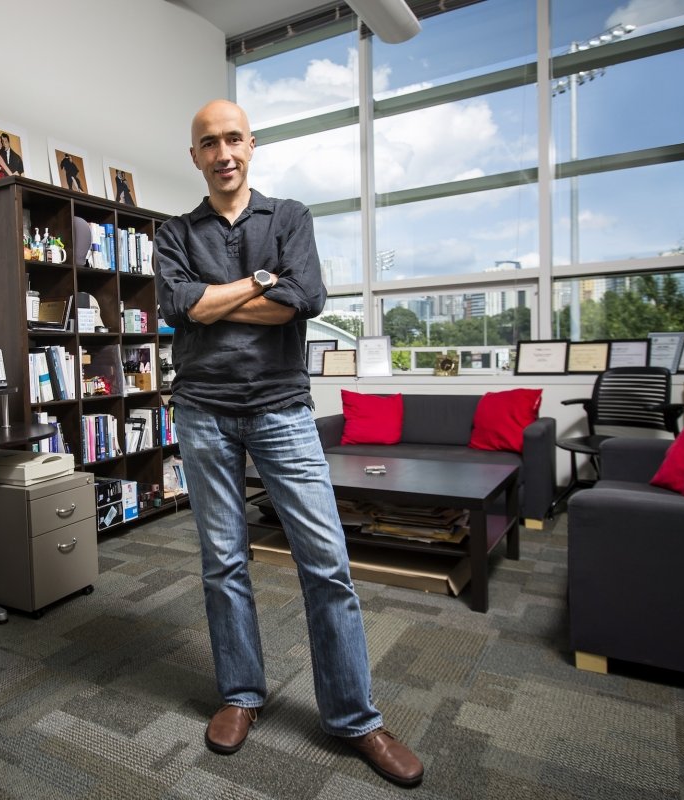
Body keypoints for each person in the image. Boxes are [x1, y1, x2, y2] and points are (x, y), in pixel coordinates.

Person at [154, 99, 425, 789]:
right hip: (202, 411)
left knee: (327, 561)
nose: (223, 153)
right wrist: (260, 284)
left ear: (253, 144)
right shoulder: (173, 232)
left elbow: (307, 297)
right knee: (223, 561)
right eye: (209, 143)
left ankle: (355, 717)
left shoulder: (291, 217)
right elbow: (178, 307)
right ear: (195, 156)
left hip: (281, 408)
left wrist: (218, 299)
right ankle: (241, 695)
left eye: (234, 139)